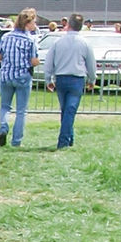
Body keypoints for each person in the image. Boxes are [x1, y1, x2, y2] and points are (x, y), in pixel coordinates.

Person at [44, 13, 96, 149]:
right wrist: (92, 79)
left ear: (68, 24)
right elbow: (91, 63)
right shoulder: (85, 43)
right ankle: (64, 141)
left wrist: (48, 78)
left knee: (66, 110)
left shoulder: (57, 42)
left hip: (61, 78)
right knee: (70, 110)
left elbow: (49, 62)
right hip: (77, 79)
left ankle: (69, 137)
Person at [0, 7, 40, 147]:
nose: (35, 25)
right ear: (28, 23)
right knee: (21, 111)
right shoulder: (30, 40)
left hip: (6, 75)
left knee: (5, 107)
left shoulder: (6, 37)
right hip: (22, 76)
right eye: (33, 22)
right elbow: (34, 61)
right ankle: (16, 140)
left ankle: (3, 128)